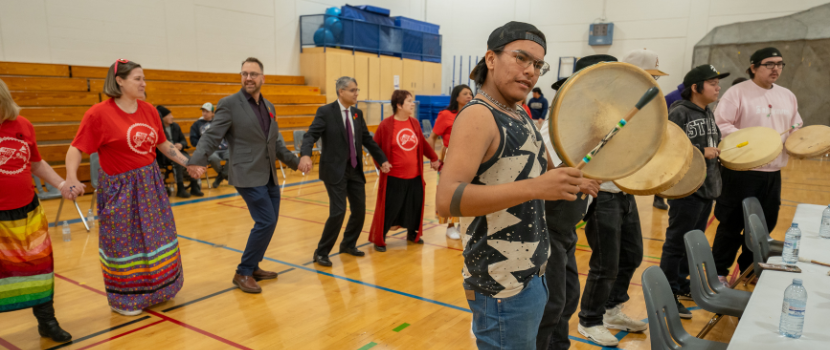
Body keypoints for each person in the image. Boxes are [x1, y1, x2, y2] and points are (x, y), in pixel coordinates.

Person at [436, 21, 586, 349]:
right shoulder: (478, 116)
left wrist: (577, 177)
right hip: (500, 284)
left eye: (537, 64)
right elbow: (446, 200)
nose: (531, 71)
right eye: (521, 58)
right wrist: (536, 188)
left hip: (535, 271)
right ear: (491, 59)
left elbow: (545, 172)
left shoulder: (521, 115)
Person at [64, 59, 187, 316]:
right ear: (119, 80)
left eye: (144, 78)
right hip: (120, 188)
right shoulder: (98, 114)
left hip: (151, 184)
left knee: (156, 238)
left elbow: (163, 145)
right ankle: (125, 299)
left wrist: (189, 164)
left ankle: (160, 290)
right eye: (137, 78)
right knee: (124, 242)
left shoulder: (150, 110)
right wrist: (72, 177)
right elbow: (76, 148)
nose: (143, 83)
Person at [186, 57, 300, 294]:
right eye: (244, 73)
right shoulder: (228, 104)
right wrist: (197, 160)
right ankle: (243, 272)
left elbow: (276, 144)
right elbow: (211, 136)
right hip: (246, 172)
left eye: (253, 74)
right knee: (266, 221)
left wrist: (295, 162)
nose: (248, 78)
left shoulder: (269, 107)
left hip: (268, 174)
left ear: (262, 78)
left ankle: (254, 265)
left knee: (270, 222)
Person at [576, 54, 648, 347]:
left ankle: (612, 310)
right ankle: (589, 320)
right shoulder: (577, 111)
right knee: (605, 263)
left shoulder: (618, 108)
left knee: (632, 255)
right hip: (601, 194)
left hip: (624, 192)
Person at [711, 47, 802, 281]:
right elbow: (721, 124)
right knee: (731, 223)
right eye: (769, 64)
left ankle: (749, 269)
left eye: (780, 64)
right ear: (753, 67)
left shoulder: (787, 95)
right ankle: (718, 272)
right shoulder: (737, 93)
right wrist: (755, 141)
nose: (776, 69)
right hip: (741, 171)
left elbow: (795, 127)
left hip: (773, 172)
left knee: (763, 224)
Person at [0, 78, 72, 342]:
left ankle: (47, 321)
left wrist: (63, 184)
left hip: (28, 213)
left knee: (39, 268)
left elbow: (36, 164)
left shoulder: (23, 125)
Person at [535, 74, 600, 350]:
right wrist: (577, 180)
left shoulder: (581, 129)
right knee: (553, 303)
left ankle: (559, 345)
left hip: (566, 227)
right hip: (549, 225)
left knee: (568, 297)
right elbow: (544, 174)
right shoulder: (553, 130)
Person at [660, 65, 729, 319]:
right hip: (686, 191)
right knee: (676, 243)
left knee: (691, 243)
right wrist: (700, 151)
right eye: (712, 83)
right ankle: (667, 293)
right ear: (695, 87)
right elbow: (667, 150)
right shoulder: (678, 113)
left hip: (706, 188)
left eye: (717, 83)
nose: (717, 87)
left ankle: (680, 284)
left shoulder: (708, 112)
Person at [298, 77, 390, 267]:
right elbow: (310, 135)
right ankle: (321, 252)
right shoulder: (325, 112)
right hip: (334, 170)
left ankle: (348, 244)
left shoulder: (357, 113)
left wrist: (382, 160)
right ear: (341, 92)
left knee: (359, 210)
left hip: (354, 169)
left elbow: (367, 140)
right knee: (338, 211)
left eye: (357, 90)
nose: (357, 93)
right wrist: (305, 155)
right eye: (353, 90)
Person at [368, 90, 440, 252]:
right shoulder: (386, 125)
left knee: (414, 207)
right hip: (394, 177)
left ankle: (412, 234)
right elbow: (375, 148)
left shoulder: (414, 123)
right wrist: (381, 164)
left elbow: (423, 143)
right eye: (409, 101)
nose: (412, 104)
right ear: (399, 105)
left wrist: (434, 158)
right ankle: (380, 239)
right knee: (390, 209)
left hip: (414, 177)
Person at [621, 48, 672, 211]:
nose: (654, 81)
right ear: (634, 72)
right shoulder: (612, 99)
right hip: (604, 188)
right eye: (651, 76)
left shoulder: (644, 103)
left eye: (655, 77)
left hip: (625, 188)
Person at [427, 84, 472, 240]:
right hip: (449, 159)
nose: (469, 96)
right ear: (456, 97)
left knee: (466, 193)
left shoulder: (472, 114)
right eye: (465, 93)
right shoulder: (445, 115)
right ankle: (450, 226)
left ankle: (461, 225)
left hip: (469, 159)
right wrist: (432, 158)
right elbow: (432, 137)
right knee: (450, 193)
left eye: (470, 93)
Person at [157, 105, 202, 198]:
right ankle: (180, 188)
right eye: (169, 115)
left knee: (192, 160)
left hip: (179, 151)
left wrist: (181, 145)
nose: (172, 117)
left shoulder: (175, 126)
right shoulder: (159, 128)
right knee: (177, 162)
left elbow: (184, 141)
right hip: (164, 155)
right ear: (162, 118)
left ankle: (194, 185)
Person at [190, 102, 229, 188]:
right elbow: (193, 140)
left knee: (234, 156)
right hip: (210, 150)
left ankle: (221, 176)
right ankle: (224, 175)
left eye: (207, 111)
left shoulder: (219, 123)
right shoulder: (197, 125)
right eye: (203, 111)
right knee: (213, 158)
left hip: (224, 148)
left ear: (212, 113)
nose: (204, 113)